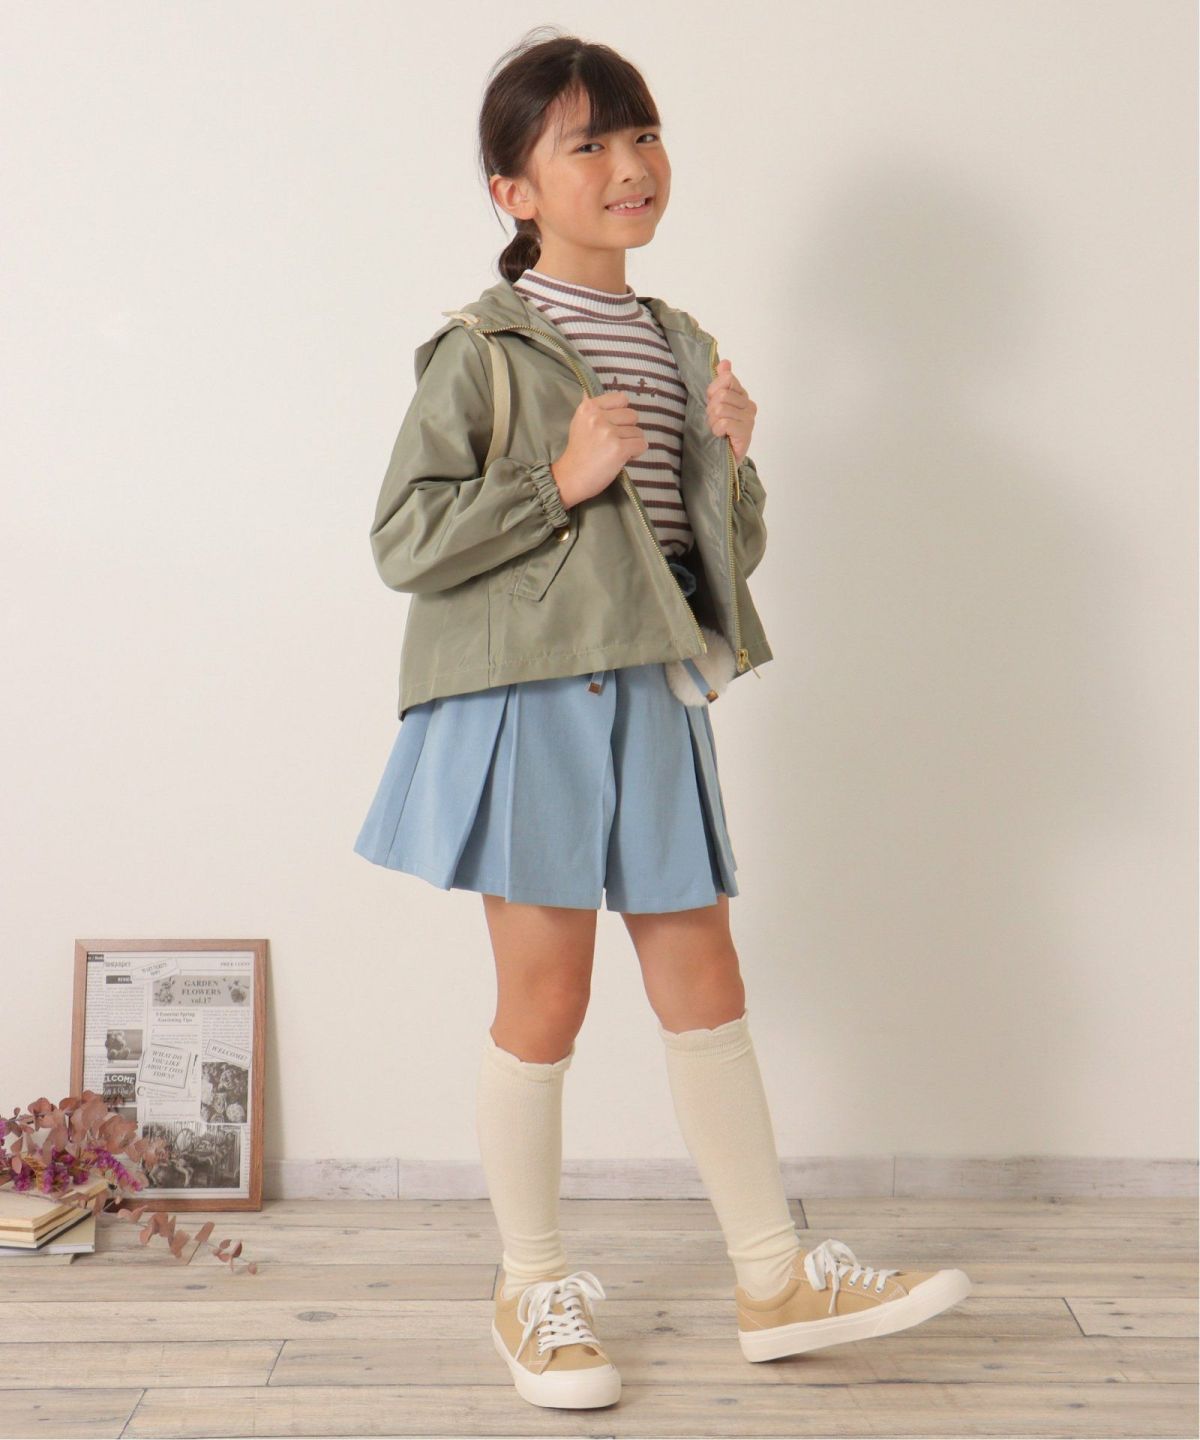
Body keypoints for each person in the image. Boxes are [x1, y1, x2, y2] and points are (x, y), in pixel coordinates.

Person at [354, 28, 971, 1412]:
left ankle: (775, 1278)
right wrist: (559, 480)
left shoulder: (680, 342)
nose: (630, 165)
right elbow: (403, 539)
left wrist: (732, 465)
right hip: (526, 699)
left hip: (654, 691)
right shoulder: (481, 349)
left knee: (708, 985)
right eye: (589, 144)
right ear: (515, 191)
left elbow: (707, 560)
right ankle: (530, 1287)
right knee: (546, 999)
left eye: (642, 136)